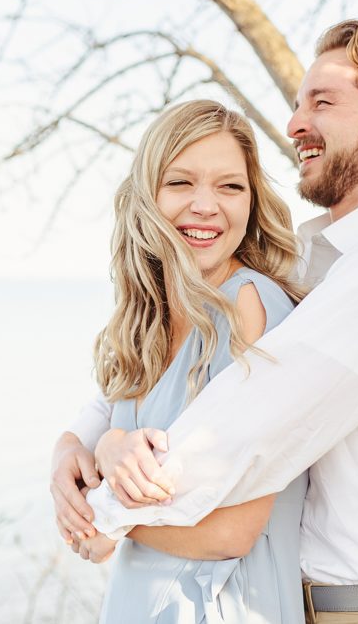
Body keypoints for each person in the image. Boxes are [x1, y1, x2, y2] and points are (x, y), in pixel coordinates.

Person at [51, 20, 358, 623]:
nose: (294, 124)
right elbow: (150, 386)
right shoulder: (322, 260)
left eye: (323, 101)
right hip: (316, 604)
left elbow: (247, 420)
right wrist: (81, 442)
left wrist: (106, 510)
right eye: (297, 103)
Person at [59, 98, 309, 622]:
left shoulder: (250, 308)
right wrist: (75, 450)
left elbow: (233, 531)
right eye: (181, 183)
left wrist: (106, 522)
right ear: (148, 195)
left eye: (229, 186)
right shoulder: (150, 316)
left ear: (252, 202)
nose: (205, 205)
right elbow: (109, 422)